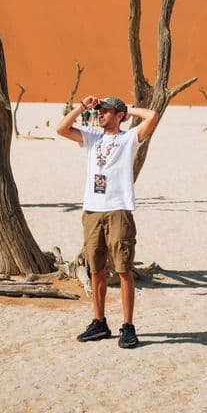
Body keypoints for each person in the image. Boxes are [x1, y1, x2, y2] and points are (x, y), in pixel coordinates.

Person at [56, 94, 159, 349]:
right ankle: (99, 322)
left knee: (124, 269)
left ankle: (128, 326)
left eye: (106, 111)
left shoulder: (128, 139)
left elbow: (153, 116)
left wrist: (127, 107)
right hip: (92, 211)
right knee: (96, 269)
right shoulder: (93, 138)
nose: (100, 114)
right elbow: (61, 129)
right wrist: (83, 106)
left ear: (119, 115)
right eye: (99, 110)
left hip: (118, 211)